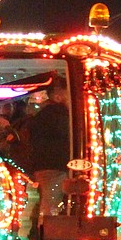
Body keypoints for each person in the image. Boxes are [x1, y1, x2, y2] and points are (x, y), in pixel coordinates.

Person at [24, 76, 71, 214]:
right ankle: (47, 232)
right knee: (50, 208)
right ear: (58, 95)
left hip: (42, 167)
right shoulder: (59, 114)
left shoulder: (42, 115)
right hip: (54, 168)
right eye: (66, 93)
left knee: (44, 204)